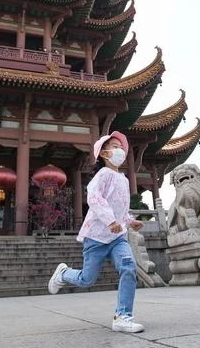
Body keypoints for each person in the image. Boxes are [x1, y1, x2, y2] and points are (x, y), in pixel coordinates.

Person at [48, 131, 145, 332]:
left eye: (121, 147)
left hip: (118, 238)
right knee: (87, 279)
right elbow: (94, 198)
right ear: (104, 153)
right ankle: (64, 274)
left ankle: (123, 316)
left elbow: (120, 207)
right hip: (96, 237)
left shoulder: (124, 180)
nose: (120, 150)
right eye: (115, 147)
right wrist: (110, 221)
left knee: (129, 267)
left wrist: (129, 221)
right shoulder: (102, 175)